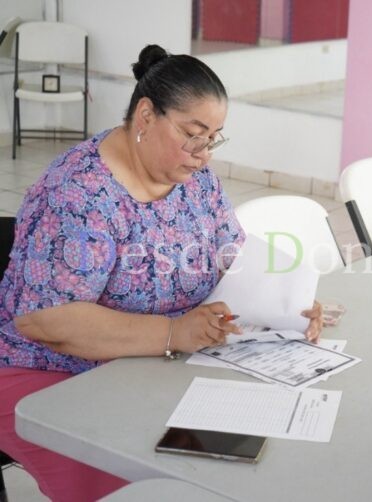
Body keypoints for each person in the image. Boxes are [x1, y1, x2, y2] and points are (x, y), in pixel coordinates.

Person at [0, 45, 322, 501]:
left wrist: (287, 302)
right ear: (147, 116)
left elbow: (233, 257)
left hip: (152, 364)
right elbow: (47, 321)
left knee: (232, 459)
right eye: (193, 135)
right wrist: (173, 333)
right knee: (145, 478)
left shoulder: (195, 181)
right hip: (43, 372)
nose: (203, 154)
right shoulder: (77, 193)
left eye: (213, 139)